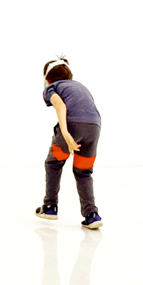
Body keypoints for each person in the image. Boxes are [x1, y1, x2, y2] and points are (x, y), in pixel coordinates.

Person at [36, 55, 103, 229]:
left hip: (72, 125)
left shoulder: (52, 87)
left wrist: (65, 132)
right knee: (83, 172)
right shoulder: (80, 86)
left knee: (53, 163)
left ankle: (50, 206)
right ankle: (92, 215)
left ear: (46, 78)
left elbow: (60, 106)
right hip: (94, 127)